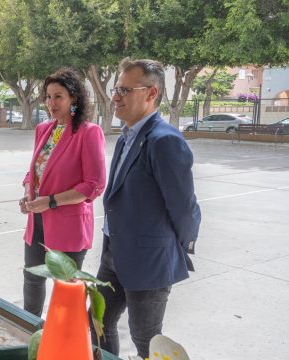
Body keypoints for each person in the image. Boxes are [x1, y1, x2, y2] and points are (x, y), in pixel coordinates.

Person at [94, 59, 201, 358]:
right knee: (98, 322)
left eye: (125, 90)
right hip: (114, 253)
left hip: (149, 260)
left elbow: (184, 208)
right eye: (116, 88)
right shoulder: (127, 136)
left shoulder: (164, 141)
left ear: (151, 93)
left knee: (146, 340)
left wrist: (173, 246)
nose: (115, 96)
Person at [19, 68, 106, 316]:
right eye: (48, 96)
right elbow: (33, 173)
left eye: (58, 97)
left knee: (66, 291)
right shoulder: (43, 130)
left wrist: (52, 201)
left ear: (74, 99)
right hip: (37, 222)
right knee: (32, 280)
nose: (51, 103)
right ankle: (29, 334)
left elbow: (93, 184)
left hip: (68, 226)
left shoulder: (89, 133)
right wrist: (28, 193)